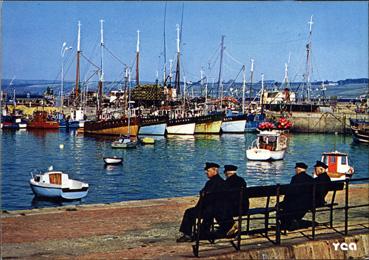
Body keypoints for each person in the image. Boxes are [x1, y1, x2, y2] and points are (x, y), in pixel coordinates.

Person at [177, 162, 232, 242]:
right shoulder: (223, 182)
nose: (206, 173)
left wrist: (198, 207)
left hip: (211, 210)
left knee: (189, 212)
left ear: (215, 170)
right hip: (220, 210)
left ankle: (187, 234)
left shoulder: (210, 183)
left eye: (208, 171)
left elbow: (205, 199)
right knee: (207, 211)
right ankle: (203, 231)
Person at [279, 162, 314, 230]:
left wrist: (283, 202)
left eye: (296, 169)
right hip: (307, 204)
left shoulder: (295, 178)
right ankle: (292, 222)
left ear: (298, 169)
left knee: (282, 208)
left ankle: (286, 225)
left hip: (296, 205)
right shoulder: (310, 179)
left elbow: (290, 193)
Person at [223, 165, 249, 237]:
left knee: (221, 209)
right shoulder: (242, 180)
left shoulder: (227, 183)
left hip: (235, 210)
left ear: (227, 173)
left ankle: (229, 226)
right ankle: (229, 226)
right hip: (244, 208)